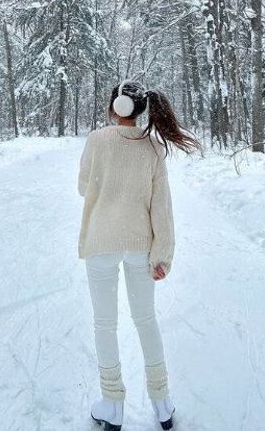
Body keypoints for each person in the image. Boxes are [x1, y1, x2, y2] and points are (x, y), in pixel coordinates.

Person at [77, 82, 200, 431]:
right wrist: (163, 256)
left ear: (114, 107)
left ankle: (112, 404)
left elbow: (84, 187)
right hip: (140, 246)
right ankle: (162, 404)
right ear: (141, 109)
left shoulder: (96, 141)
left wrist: (108, 186)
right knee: (146, 320)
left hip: (101, 243)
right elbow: (162, 209)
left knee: (105, 324)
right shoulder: (153, 149)